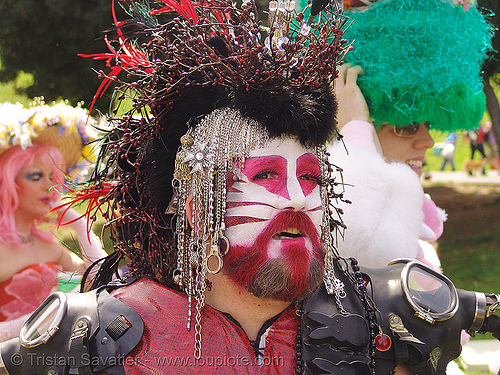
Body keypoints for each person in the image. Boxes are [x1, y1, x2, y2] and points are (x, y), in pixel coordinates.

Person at [0, 1, 498, 375]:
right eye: (265, 177)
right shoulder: (93, 338)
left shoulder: (383, 319)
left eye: (310, 177)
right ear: (196, 205)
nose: (299, 198)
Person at [0, 101, 107, 341]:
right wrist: (48, 314)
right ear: (6, 182)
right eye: (36, 176)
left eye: (52, 176)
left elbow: (103, 283)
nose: (49, 186)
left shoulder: (51, 248)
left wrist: (81, 226)